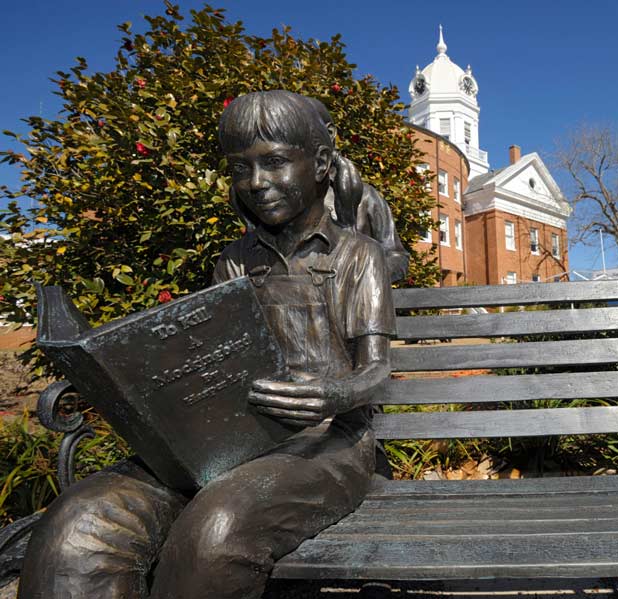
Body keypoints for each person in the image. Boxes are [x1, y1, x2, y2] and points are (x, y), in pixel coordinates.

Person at [20, 90, 395, 599]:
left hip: (328, 444)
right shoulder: (234, 261)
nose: (257, 184)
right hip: (228, 441)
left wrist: (337, 393)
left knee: (215, 530)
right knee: (79, 525)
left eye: (276, 163)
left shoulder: (358, 256)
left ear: (323, 164)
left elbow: (377, 373)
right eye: (241, 169)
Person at [303, 96, 410, 282]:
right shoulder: (281, 200)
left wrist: (361, 275)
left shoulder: (366, 197)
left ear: (330, 134)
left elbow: (397, 257)